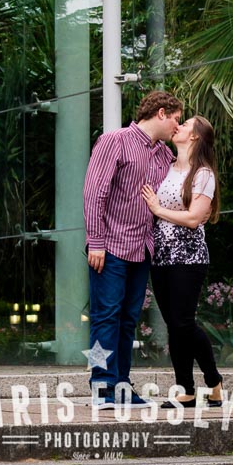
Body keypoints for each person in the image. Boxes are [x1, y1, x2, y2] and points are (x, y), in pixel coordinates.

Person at [83, 90, 183, 407]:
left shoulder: (163, 155)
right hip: (110, 248)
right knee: (105, 317)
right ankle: (102, 386)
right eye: (177, 120)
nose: (177, 128)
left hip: (142, 251)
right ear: (162, 113)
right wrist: (96, 242)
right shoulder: (115, 141)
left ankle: (122, 387)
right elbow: (94, 193)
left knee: (128, 321)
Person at [141, 114, 223, 408]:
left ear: (195, 137)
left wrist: (157, 208)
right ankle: (186, 389)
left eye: (186, 124)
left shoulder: (203, 174)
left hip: (189, 257)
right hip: (161, 258)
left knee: (183, 322)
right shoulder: (166, 167)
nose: (179, 126)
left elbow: (193, 219)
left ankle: (213, 380)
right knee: (173, 325)